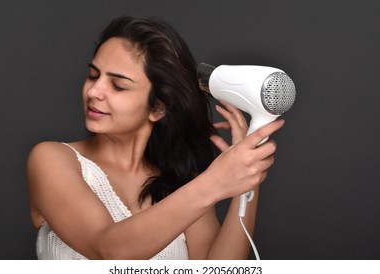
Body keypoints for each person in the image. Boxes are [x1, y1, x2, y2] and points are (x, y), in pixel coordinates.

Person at [26, 15, 284, 260]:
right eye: (93, 75)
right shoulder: (52, 159)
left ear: (158, 108)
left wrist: (247, 178)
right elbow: (108, 251)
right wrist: (217, 181)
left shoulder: (181, 183)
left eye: (118, 86)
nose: (94, 91)